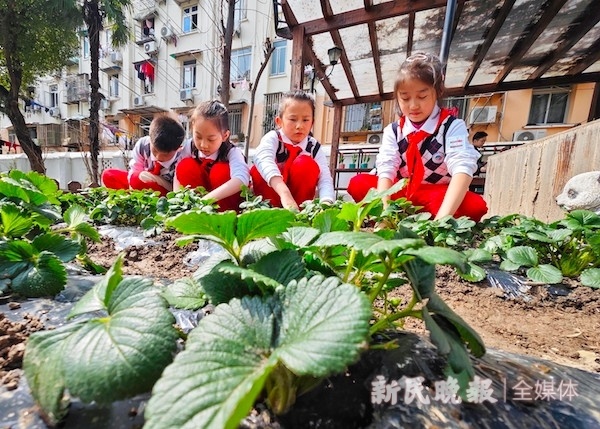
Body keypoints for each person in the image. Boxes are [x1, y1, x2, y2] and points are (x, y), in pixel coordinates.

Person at [347, 52, 487, 222]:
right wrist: (385, 216)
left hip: (435, 192)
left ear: (438, 92)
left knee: (475, 206)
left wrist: (441, 221)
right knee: (359, 183)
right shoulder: (394, 130)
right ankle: (401, 215)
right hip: (401, 191)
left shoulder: (451, 126)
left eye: (422, 96)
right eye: (405, 98)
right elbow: (387, 170)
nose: (413, 106)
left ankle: (428, 216)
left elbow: (462, 169)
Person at [250, 90, 335, 210]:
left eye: (305, 120)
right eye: (293, 119)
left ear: (312, 123)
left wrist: (326, 202)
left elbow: (324, 177)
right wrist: (285, 194)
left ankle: (300, 216)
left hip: (299, 204)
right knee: (260, 168)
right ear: (279, 122)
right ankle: (268, 213)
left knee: (306, 164)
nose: (299, 126)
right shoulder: (273, 138)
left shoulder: (313, 146)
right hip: (270, 200)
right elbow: (263, 158)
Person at [174, 100, 250, 212]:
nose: (203, 145)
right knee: (185, 166)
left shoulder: (232, 151)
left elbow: (241, 179)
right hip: (199, 205)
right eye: (198, 137)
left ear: (225, 135)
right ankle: (195, 215)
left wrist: (206, 200)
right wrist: (177, 200)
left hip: (224, 204)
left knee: (220, 171)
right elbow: (178, 173)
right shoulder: (190, 147)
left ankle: (223, 217)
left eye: (211, 139)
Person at [101, 114, 185, 196]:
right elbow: (135, 171)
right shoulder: (143, 145)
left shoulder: (181, 156)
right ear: (150, 139)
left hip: (166, 190)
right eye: (155, 151)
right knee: (108, 175)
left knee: (139, 179)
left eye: (165, 155)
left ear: (178, 148)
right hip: (141, 183)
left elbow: (177, 190)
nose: (158, 157)